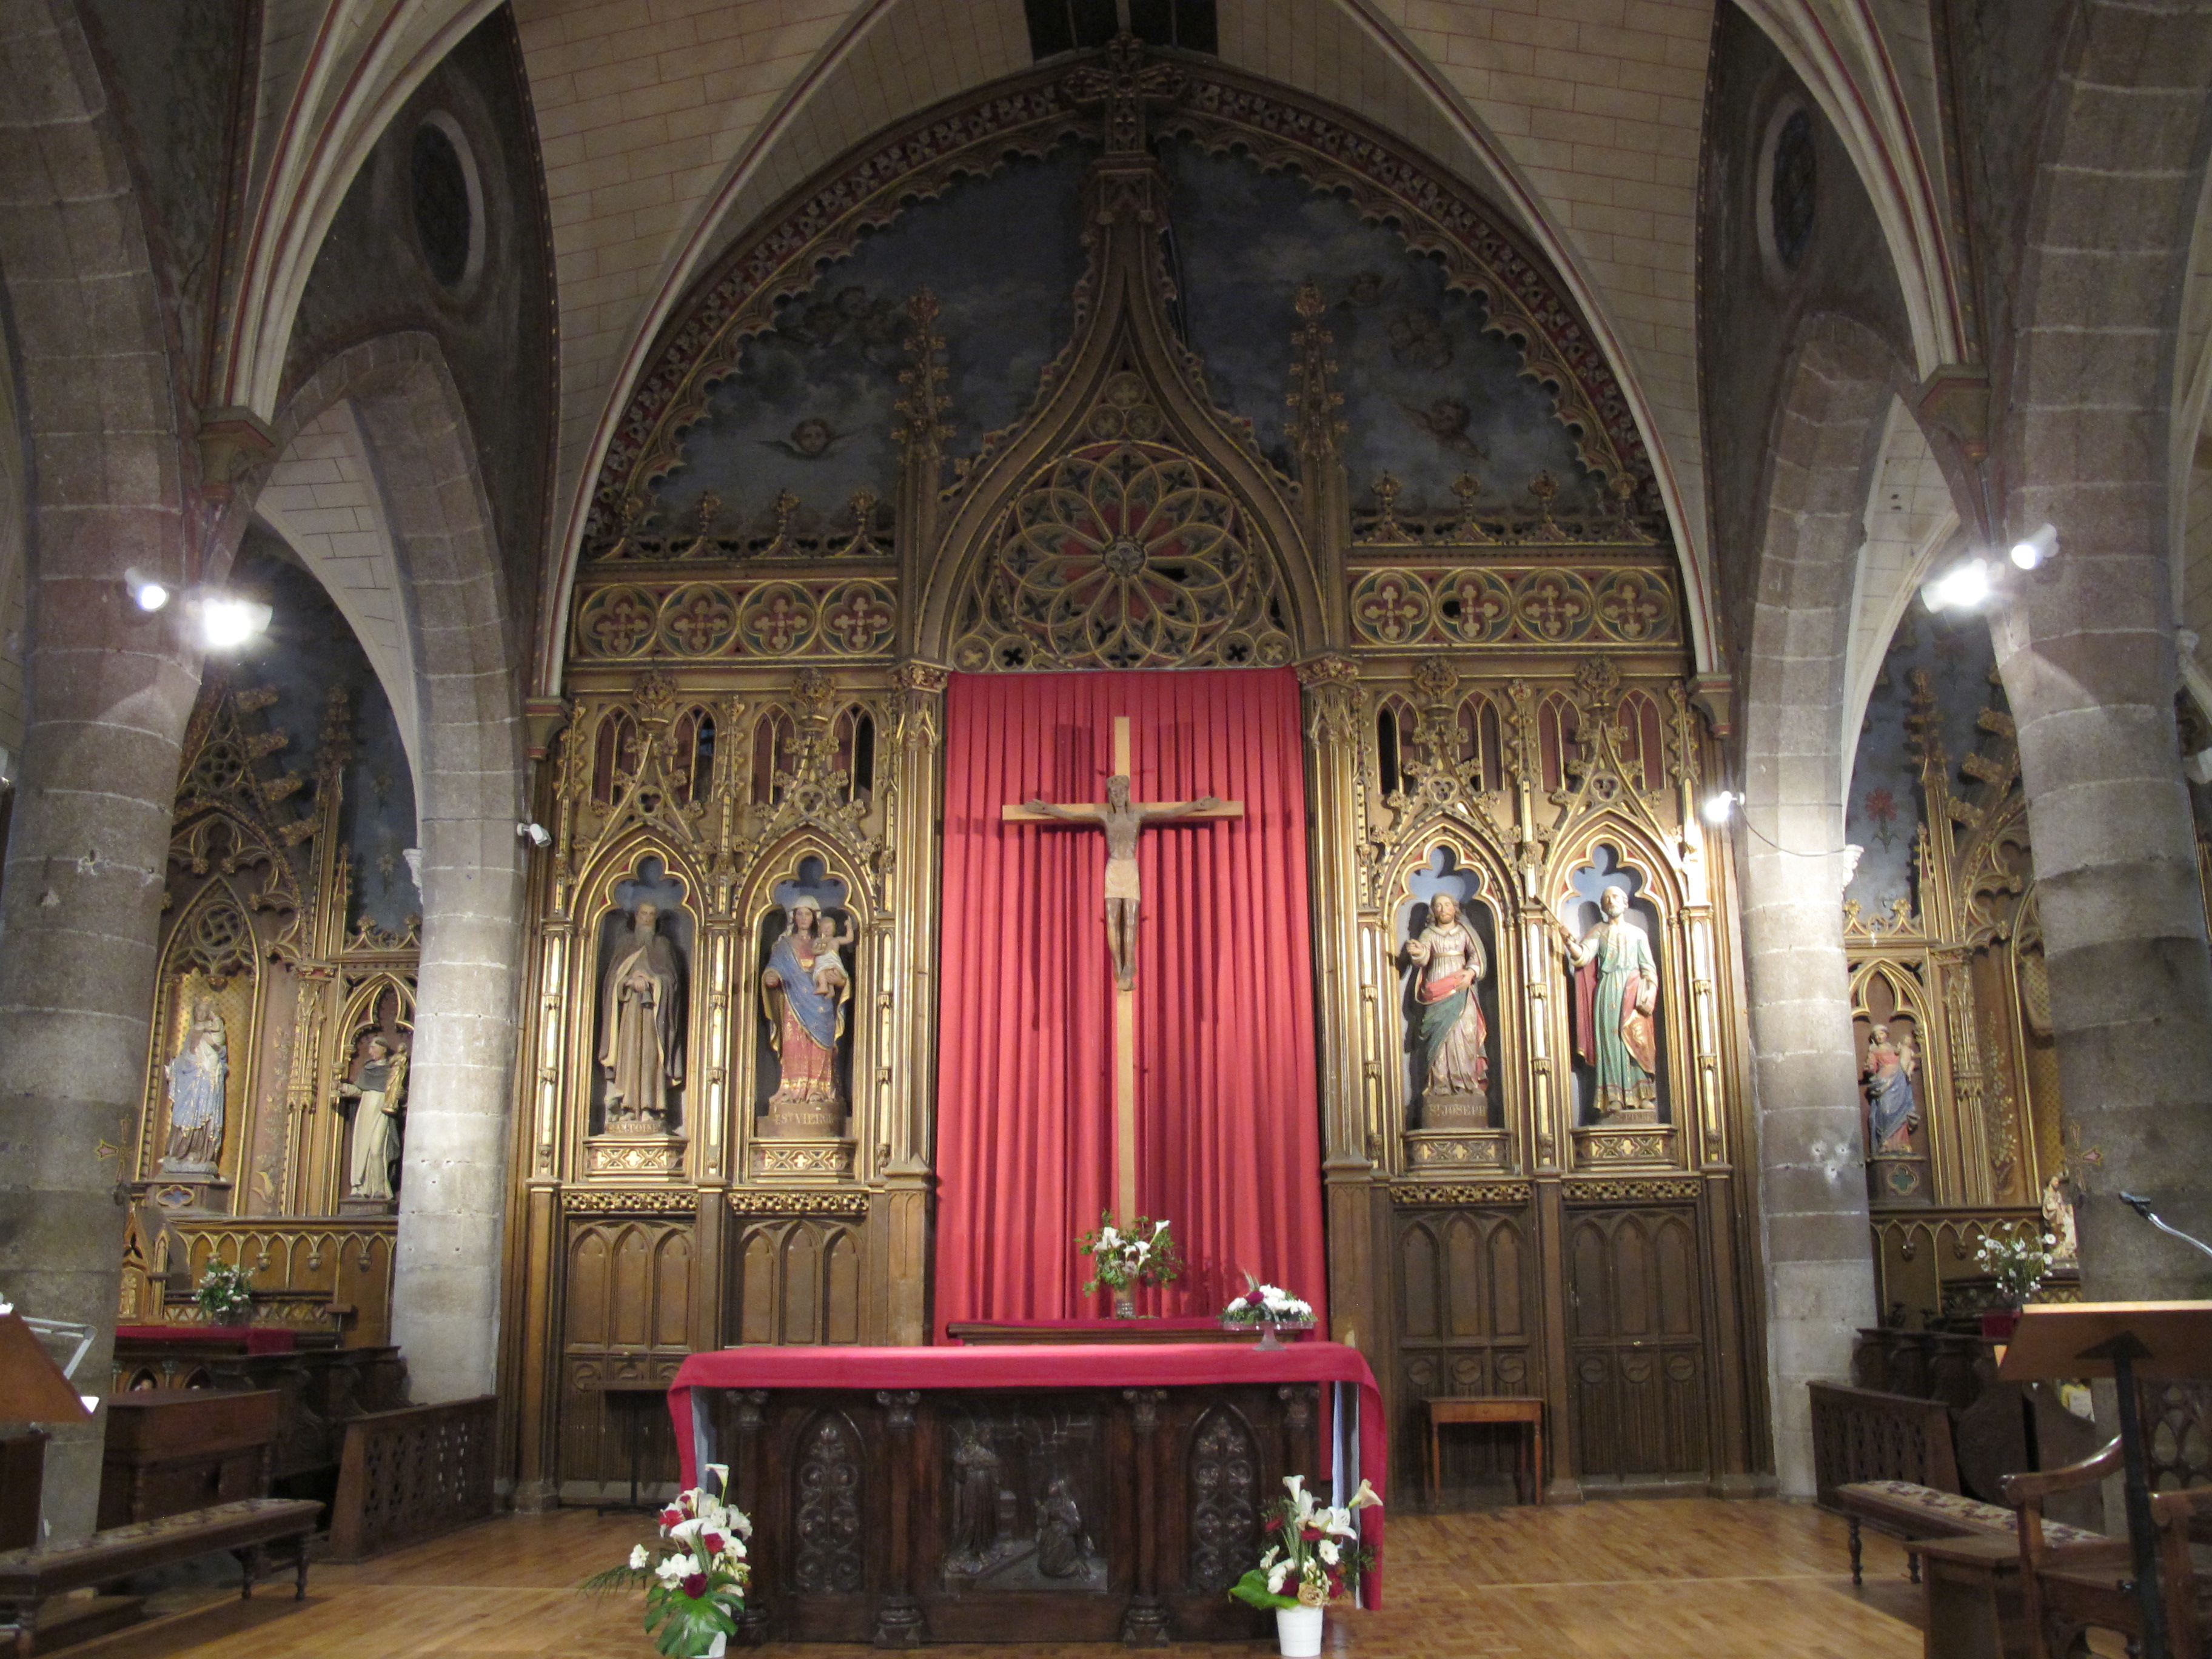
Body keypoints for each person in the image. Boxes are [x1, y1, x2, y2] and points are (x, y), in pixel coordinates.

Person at [1022, 776, 1224, 988]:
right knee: (1111, 919)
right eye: (1113, 792)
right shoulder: (1105, 816)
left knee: (1130, 920)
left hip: (1129, 869)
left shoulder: (1137, 815)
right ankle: (1118, 967)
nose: (1117, 796)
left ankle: (1129, 965)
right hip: (1114, 869)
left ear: (1127, 793)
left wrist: (1195, 806)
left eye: (1121, 791)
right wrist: (1048, 810)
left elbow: (1169, 813)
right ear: (1109, 796)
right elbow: (1072, 816)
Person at [1554, 885, 1660, 1116]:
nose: (1611, 902)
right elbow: (1583, 957)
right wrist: (1569, 942)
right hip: (1608, 991)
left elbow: (1649, 969)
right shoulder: (1599, 932)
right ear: (1603, 907)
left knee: (1636, 1040)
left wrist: (1649, 993)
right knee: (1611, 1043)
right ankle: (1614, 1097)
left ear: (1625, 903)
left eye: (1615, 897)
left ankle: (1642, 1094)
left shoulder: (1638, 935)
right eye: (1607, 899)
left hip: (1633, 992)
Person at [600, 900, 684, 1127]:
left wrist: (653, 981)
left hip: (654, 1015)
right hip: (629, 1012)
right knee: (629, 1055)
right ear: (636, 916)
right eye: (643, 914)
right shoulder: (625, 943)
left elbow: (672, 981)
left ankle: (650, 1107)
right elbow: (611, 980)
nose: (647, 919)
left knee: (650, 1057)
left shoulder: (662, 945)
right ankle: (627, 1107)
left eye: (651, 915)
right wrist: (628, 981)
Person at [763, 898, 849, 1114]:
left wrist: (838, 979)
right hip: (794, 1000)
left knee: (821, 1045)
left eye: (807, 914)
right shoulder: (784, 945)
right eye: (799, 914)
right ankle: (793, 1089)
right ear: (793, 917)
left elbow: (839, 972)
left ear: (815, 917)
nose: (803, 919)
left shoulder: (825, 943)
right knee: (794, 1043)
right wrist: (771, 976)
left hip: (821, 1002)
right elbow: (773, 968)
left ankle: (819, 1089)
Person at [1404, 893, 1489, 1110]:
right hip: (1437, 988)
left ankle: (1466, 1082)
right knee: (1439, 1039)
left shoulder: (1464, 931)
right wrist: (1418, 952)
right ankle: (1440, 1085)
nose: (1443, 909)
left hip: (1461, 987)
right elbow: (1424, 956)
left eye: (1447, 905)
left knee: (1465, 1033)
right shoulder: (1429, 933)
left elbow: (1477, 956)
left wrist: (1471, 973)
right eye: (1438, 906)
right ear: (1434, 911)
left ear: (1455, 908)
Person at [338, 1037, 408, 1200]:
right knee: (363, 1149)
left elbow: (398, 1092)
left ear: (384, 1049)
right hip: (366, 1111)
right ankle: (361, 1188)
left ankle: (380, 1187)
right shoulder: (367, 1069)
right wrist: (343, 1088)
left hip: (382, 1111)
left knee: (377, 1149)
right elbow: (359, 1091)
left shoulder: (393, 1069)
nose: (371, 1052)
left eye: (374, 1048)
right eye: (370, 1048)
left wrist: (401, 1095)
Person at [162, 999, 229, 1171]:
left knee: (203, 1113)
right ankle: (179, 1153)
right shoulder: (192, 1032)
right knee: (183, 1114)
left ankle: (198, 1153)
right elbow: (186, 1054)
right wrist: (175, 1065)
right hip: (189, 1079)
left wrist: (212, 1045)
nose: (201, 1014)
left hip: (206, 1079)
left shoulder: (214, 1031)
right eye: (198, 1010)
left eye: (205, 1011)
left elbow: (220, 1054)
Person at [1863, 1023, 1919, 1155]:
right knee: (1885, 1110)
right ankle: (1885, 1142)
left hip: (1899, 1081)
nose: (1879, 1037)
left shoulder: (1896, 1049)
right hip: (1884, 1083)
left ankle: (1901, 1144)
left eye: (1881, 1034)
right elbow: (1872, 1067)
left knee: (1901, 1111)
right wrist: (1870, 1068)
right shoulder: (1874, 1051)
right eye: (1876, 1035)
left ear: (1886, 1035)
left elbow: (1906, 1059)